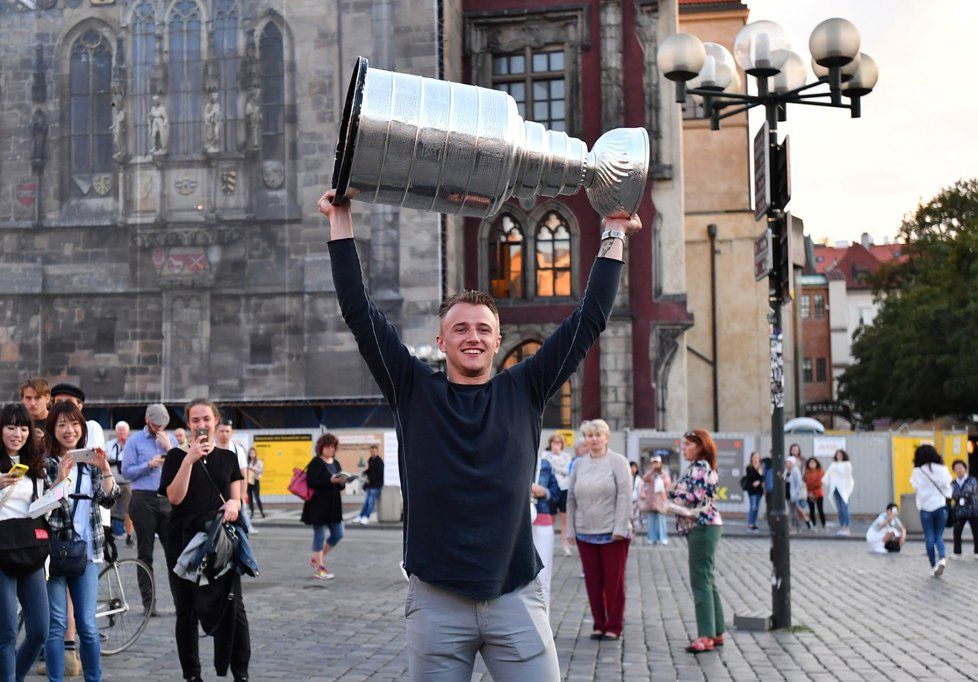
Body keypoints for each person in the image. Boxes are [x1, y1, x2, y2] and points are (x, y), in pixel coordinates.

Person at [319, 188, 640, 680]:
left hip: (514, 594)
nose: (474, 337)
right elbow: (360, 314)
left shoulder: (526, 386)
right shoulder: (412, 387)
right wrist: (339, 222)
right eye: (461, 329)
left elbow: (589, 319)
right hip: (436, 601)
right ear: (441, 340)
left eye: (484, 329)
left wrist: (614, 233)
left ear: (496, 341)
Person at [159, 398, 248, 682]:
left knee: (234, 608)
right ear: (188, 424)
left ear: (216, 421)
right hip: (184, 543)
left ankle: (240, 673)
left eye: (206, 419)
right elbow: (174, 497)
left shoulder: (229, 458)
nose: (201, 425)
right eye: (195, 420)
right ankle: (192, 675)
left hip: (219, 542)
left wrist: (234, 505)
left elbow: (236, 499)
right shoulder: (175, 457)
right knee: (186, 611)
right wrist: (189, 459)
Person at [43, 400, 119, 682]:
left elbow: (109, 500)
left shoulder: (91, 465)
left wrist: (106, 468)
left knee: (87, 625)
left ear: (82, 428)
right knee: (57, 624)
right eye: (62, 424)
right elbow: (42, 507)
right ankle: (56, 679)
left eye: (74, 424)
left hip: (87, 552)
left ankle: (93, 678)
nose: (69, 430)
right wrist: (60, 480)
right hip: (54, 553)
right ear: (53, 429)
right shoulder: (47, 463)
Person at [0, 404, 53, 682]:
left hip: (31, 549)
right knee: (7, 631)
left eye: (23, 428)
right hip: (2, 552)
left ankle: (14, 676)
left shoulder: (34, 465)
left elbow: (39, 510)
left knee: (39, 631)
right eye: (10, 427)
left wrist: (55, 494)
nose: (17, 433)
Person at [566, 419, 632, 641]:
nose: (593, 440)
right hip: (586, 531)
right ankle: (598, 623)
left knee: (613, 582)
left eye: (598, 435)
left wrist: (620, 527)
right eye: (589, 435)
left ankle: (614, 625)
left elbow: (624, 496)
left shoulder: (618, 462)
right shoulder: (579, 464)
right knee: (593, 582)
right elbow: (571, 498)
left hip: (613, 532)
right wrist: (570, 530)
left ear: (606, 437)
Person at [669, 429, 724, 654]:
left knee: (700, 579)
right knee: (707, 578)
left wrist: (668, 497)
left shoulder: (700, 467)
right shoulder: (698, 467)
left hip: (702, 526)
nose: (683, 447)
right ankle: (717, 631)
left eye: (688, 444)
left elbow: (692, 497)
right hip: (706, 525)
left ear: (700, 447)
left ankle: (705, 636)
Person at [121, 404, 175, 615]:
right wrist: (148, 465)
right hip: (143, 498)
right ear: (147, 421)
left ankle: (182, 603)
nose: (159, 428)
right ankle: (148, 603)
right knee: (145, 553)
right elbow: (126, 472)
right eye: (156, 425)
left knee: (175, 554)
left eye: (163, 425)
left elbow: (183, 466)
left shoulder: (171, 439)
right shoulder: (134, 441)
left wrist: (170, 449)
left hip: (167, 498)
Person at [301, 434, 346, 580]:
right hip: (317, 505)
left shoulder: (336, 463)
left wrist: (342, 482)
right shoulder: (316, 462)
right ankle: (320, 569)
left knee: (338, 533)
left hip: (333, 505)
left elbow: (340, 486)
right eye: (327, 447)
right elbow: (311, 482)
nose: (330, 450)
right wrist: (330, 480)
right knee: (319, 536)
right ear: (321, 447)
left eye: (333, 447)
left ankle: (316, 559)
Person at [910, 444, 953, 577]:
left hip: (925, 508)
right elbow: (948, 485)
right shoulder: (942, 469)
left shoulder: (918, 471)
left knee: (929, 535)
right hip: (940, 506)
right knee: (938, 535)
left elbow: (914, 485)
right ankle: (942, 558)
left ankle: (933, 565)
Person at [530, 456, 560, 614]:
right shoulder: (508, 456)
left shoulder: (544, 464)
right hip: (513, 523)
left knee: (542, 578)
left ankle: (543, 622)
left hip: (541, 520)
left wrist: (543, 492)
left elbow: (556, 494)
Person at [542, 433, 573, 557]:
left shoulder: (566, 456)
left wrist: (555, 466)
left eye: (558, 442)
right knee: (551, 519)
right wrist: (557, 467)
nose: (556, 445)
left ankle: (566, 547)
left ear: (562, 444)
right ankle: (548, 545)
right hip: (552, 489)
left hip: (564, 488)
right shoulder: (545, 455)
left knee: (565, 519)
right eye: (554, 442)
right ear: (550, 444)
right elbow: (546, 468)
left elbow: (567, 471)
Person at [106, 421, 135, 546]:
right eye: (119, 430)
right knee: (108, 508)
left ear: (128, 432)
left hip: (128, 482)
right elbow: (105, 458)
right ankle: (108, 535)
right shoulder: (110, 444)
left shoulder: (132, 445)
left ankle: (129, 535)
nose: (122, 432)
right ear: (116, 432)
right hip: (113, 480)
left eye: (124, 430)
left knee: (128, 509)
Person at [639, 455, 671, 546]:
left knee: (661, 520)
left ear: (660, 463)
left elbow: (668, 484)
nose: (655, 464)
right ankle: (651, 538)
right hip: (651, 500)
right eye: (653, 463)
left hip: (661, 500)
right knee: (651, 520)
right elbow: (645, 478)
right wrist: (652, 471)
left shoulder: (664, 473)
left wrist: (661, 479)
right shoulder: (650, 473)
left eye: (657, 462)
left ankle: (663, 538)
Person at [215, 419, 248, 504]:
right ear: (216, 432)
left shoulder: (238, 450)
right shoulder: (209, 450)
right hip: (214, 495)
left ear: (231, 432)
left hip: (233, 495)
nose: (224, 434)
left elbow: (243, 473)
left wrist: (242, 494)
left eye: (227, 431)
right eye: (221, 431)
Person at [951, 459, 978, 557]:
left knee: (976, 532)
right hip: (960, 511)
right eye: (956, 468)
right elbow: (952, 494)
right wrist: (961, 495)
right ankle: (957, 552)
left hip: (973, 510)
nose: (958, 469)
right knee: (957, 532)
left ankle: (977, 552)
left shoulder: (972, 480)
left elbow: (970, 490)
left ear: (965, 469)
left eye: (960, 467)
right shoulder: (953, 483)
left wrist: (959, 495)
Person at [824, 449, 854, 536]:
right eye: (837, 455)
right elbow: (828, 474)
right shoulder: (833, 464)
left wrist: (837, 472)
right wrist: (824, 481)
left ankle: (847, 526)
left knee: (845, 507)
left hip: (843, 488)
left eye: (840, 455)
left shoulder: (847, 464)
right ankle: (842, 526)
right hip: (835, 488)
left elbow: (847, 475)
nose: (838, 456)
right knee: (839, 508)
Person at [355, 445, 383, 525]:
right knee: (366, 502)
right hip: (370, 485)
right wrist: (364, 472)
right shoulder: (370, 460)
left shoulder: (380, 462)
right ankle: (361, 516)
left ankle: (366, 517)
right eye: (371, 451)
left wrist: (369, 479)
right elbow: (370, 470)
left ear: (377, 451)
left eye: (374, 451)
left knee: (371, 502)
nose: (373, 453)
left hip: (376, 485)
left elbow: (379, 475)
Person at [18, 377, 50, 442]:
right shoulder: (17, 421)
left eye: (37, 398)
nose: (32, 403)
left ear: (47, 398)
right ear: (22, 399)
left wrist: (46, 442)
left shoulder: (57, 421)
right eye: (28, 398)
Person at [784, 458, 811, 531]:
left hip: (793, 494)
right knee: (792, 511)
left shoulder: (795, 471)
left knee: (795, 512)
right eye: (786, 462)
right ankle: (795, 526)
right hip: (787, 493)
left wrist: (796, 494)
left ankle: (796, 527)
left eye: (789, 462)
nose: (787, 464)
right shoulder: (786, 470)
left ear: (792, 463)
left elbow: (799, 484)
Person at [742, 451, 764, 532]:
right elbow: (750, 477)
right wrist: (755, 481)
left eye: (758, 457)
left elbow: (762, 477)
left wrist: (759, 481)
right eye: (754, 457)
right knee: (753, 506)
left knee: (757, 508)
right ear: (751, 458)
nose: (756, 459)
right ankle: (750, 524)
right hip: (752, 490)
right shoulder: (749, 467)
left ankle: (754, 523)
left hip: (759, 490)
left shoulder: (760, 467)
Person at [804, 457, 826, 531]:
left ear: (816, 464)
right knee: (811, 510)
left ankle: (824, 524)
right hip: (809, 493)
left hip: (818, 493)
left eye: (814, 463)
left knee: (820, 510)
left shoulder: (820, 471)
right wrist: (809, 492)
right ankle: (813, 525)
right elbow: (805, 483)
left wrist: (812, 487)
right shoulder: (806, 472)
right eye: (810, 463)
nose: (812, 464)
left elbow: (820, 482)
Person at [246, 447, 265, 520]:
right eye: (250, 453)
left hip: (256, 480)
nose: (251, 454)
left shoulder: (259, 462)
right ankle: (252, 512)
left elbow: (260, 471)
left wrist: (252, 469)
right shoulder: (247, 462)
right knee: (250, 498)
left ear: (255, 454)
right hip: (249, 481)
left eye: (253, 453)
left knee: (257, 497)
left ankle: (262, 512)